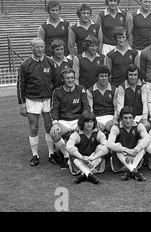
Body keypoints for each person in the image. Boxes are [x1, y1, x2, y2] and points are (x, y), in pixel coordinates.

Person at [17, 38, 58, 166]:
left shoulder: (50, 62)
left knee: (49, 127)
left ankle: (51, 153)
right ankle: (35, 155)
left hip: (48, 100)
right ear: (32, 48)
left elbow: (56, 83)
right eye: (37, 47)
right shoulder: (25, 64)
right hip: (32, 100)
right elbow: (20, 85)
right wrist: (22, 104)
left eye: (42, 47)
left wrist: (56, 101)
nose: (40, 49)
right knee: (34, 127)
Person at [50, 68, 90, 169]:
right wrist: (55, 123)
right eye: (67, 78)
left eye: (72, 77)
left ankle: (86, 155)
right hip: (64, 121)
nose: (70, 80)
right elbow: (54, 110)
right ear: (63, 79)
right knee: (54, 134)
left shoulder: (81, 89)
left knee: (90, 130)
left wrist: (81, 123)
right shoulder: (57, 92)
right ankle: (67, 155)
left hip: (78, 119)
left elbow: (86, 107)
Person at [107, 106, 151, 182]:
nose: (128, 121)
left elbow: (148, 139)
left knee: (142, 142)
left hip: (135, 160)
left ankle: (131, 170)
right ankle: (134, 171)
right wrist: (126, 150)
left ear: (134, 118)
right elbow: (109, 144)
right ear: (121, 118)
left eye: (130, 118)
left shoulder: (139, 125)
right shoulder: (115, 128)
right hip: (120, 163)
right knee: (117, 145)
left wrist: (134, 151)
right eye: (125, 118)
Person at [66, 111, 108, 185]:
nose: (89, 124)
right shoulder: (77, 134)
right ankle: (88, 174)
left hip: (94, 163)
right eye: (87, 122)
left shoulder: (98, 133)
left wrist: (93, 158)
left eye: (91, 122)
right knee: (72, 152)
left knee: (101, 148)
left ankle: (84, 174)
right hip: (80, 163)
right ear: (82, 122)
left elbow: (106, 146)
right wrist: (82, 157)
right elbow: (69, 146)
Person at [87, 65, 118, 136]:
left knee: (115, 130)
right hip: (97, 118)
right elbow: (90, 110)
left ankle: (112, 146)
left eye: (106, 76)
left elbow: (116, 108)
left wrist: (115, 118)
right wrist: (95, 121)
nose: (104, 78)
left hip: (110, 117)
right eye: (101, 76)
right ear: (97, 77)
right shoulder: (90, 91)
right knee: (95, 132)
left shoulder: (114, 89)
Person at [116, 64, 149, 128]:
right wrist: (123, 119)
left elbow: (145, 103)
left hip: (140, 116)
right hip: (127, 117)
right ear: (127, 75)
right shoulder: (121, 87)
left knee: (145, 126)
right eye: (131, 75)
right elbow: (120, 106)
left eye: (135, 75)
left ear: (138, 75)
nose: (133, 77)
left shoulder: (143, 86)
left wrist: (144, 119)